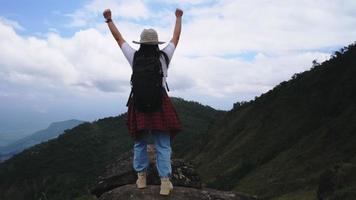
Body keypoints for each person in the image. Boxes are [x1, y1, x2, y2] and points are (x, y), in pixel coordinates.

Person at [103, 8, 183, 196]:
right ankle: (165, 182)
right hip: (160, 103)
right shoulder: (164, 56)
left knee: (140, 142)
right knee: (162, 144)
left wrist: (109, 20)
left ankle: (141, 178)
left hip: (139, 103)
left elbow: (119, 39)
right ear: (156, 43)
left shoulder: (134, 56)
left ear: (141, 43)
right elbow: (176, 38)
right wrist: (178, 18)